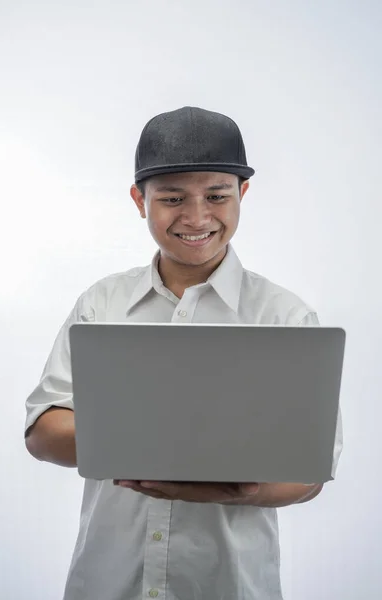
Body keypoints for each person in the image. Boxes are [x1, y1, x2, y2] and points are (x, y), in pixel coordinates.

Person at [24, 106, 343, 600]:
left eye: (216, 196)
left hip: (229, 585)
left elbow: (309, 472)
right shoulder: (102, 303)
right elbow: (43, 433)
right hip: (108, 582)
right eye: (172, 198)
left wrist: (244, 491)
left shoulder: (284, 316)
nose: (197, 218)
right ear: (139, 199)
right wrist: (142, 442)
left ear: (242, 195)